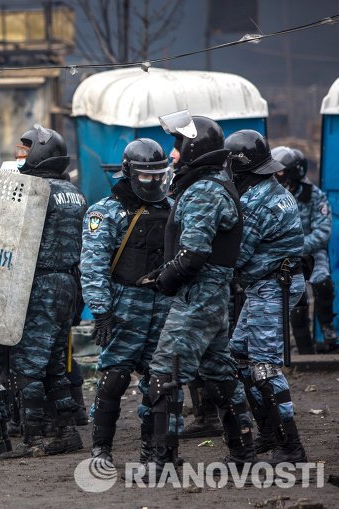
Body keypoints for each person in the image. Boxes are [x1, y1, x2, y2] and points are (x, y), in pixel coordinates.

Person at [0, 125, 87, 461]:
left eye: (25, 149)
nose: (21, 155)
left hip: (34, 284)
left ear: (41, 153)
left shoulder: (37, 191)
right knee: (53, 364)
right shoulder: (71, 192)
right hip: (62, 285)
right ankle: (60, 432)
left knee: (28, 366)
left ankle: (33, 440)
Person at [137, 113, 256, 472]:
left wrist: (165, 278)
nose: (173, 155)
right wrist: (167, 272)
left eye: (177, 147)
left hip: (199, 295)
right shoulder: (210, 184)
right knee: (219, 372)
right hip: (210, 295)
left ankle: (162, 461)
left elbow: (194, 254)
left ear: (194, 148)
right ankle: (243, 454)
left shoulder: (205, 189)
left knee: (164, 372)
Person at [80, 138, 175, 466]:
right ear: (129, 173)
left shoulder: (172, 208)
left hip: (163, 305)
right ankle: (101, 449)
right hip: (125, 305)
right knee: (113, 377)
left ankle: (153, 451)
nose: (154, 182)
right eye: (146, 176)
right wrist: (102, 311)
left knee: (159, 381)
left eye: (158, 175)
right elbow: (93, 265)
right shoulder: (105, 212)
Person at [225, 130, 308, 465]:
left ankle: (292, 447)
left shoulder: (256, 201)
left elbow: (237, 256)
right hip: (268, 284)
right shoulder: (270, 189)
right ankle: (270, 434)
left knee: (264, 367)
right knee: (239, 356)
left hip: (273, 285)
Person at [273, 146, 337, 354]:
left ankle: (327, 328)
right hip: (284, 257)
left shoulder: (314, 196)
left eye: (280, 172)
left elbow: (323, 231)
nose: (276, 176)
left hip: (311, 252)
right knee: (295, 299)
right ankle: (304, 349)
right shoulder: (272, 196)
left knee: (323, 283)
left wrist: (297, 247)